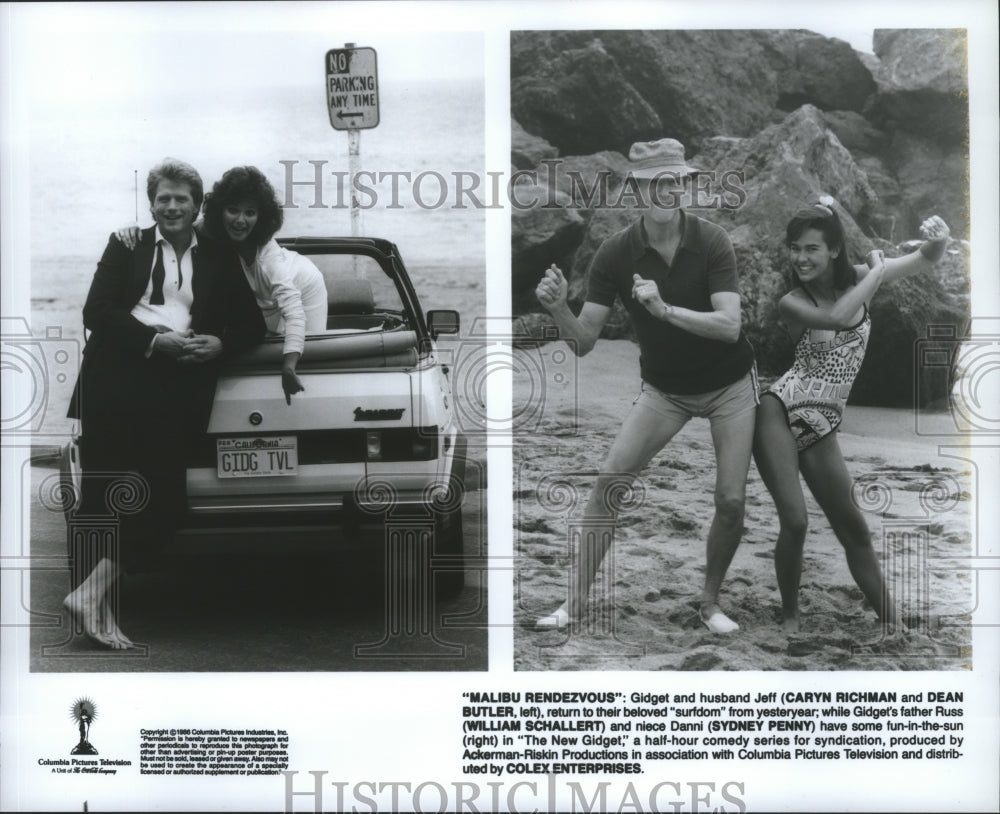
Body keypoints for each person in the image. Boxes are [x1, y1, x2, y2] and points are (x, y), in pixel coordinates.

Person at [533, 138, 758, 634]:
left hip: (730, 386)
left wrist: (663, 310)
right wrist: (557, 310)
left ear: (686, 185)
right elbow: (586, 341)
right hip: (665, 391)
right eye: (655, 182)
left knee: (731, 500)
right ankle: (572, 605)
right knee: (609, 483)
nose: (666, 190)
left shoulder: (712, 240)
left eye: (675, 181)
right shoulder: (615, 254)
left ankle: (709, 603)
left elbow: (730, 327)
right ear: (636, 190)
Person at [64, 159, 265, 649]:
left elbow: (252, 326)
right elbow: (97, 311)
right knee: (103, 500)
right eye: (163, 199)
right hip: (115, 377)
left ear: (197, 206)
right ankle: (99, 612)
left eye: (182, 199)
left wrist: (220, 344)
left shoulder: (216, 253)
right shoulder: (126, 244)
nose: (172, 207)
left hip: (176, 386)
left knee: (164, 497)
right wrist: (153, 342)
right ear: (151, 203)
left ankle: (89, 595)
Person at [752, 198, 951, 633]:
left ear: (835, 250)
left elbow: (925, 259)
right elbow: (838, 318)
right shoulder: (792, 301)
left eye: (812, 249)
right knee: (796, 521)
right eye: (795, 248)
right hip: (780, 412)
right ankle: (789, 615)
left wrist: (939, 238)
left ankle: (892, 622)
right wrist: (879, 269)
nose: (801, 258)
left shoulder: (861, 278)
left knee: (855, 532)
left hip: (824, 425)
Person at [119, 166, 327, 404]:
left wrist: (289, 366)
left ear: (260, 217)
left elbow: (294, 314)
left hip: (303, 287)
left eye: (250, 213)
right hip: (262, 305)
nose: (240, 220)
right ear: (219, 212)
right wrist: (130, 227)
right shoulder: (208, 235)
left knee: (311, 358)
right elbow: (172, 225)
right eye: (232, 210)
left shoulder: (270, 260)